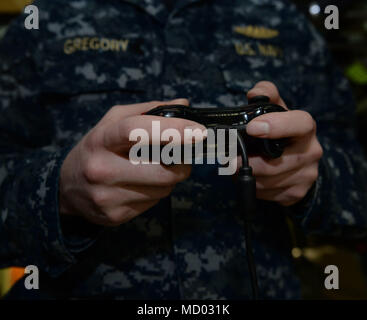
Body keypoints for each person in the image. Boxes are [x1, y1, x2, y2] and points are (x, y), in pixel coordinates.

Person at [1, 0, 367, 299]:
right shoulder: (43, 22)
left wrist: (313, 178)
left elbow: (358, 186)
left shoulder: (285, 23)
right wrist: (61, 190)